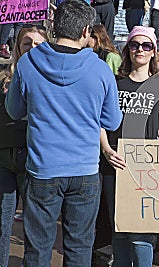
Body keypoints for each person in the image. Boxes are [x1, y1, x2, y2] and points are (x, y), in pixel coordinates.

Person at [5, 0, 123, 265]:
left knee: (37, 251)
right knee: (79, 249)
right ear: (85, 32)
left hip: (43, 169)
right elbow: (112, 122)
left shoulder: (27, 64)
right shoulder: (101, 69)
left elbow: (14, 110)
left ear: (54, 26)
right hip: (84, 170)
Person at [100, 25, 159, 267]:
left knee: (141, 233)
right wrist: (106, 149)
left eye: (146, 45)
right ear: (127, 49)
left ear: (153, 52)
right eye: (134, 44)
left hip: (146, 169)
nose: (139, 49)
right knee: (118, 229)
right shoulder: (115, 84)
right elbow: (99, 120)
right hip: (115, 165)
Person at [0, 24, 48, 267]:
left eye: (39, 43)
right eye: (27, 42)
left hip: (36, 161)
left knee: (35, 230)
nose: (32, 48)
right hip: (4, 159)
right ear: (18, 47)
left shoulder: (52, 77)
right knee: (2, 226)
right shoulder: (2, 75)